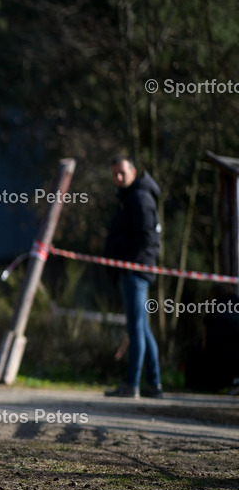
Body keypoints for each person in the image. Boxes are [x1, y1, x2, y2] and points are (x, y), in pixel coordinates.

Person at [104, 155, 162, 398]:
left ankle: (132, 384)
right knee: (143, 329)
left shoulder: (139, 198)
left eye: (122, 173)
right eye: (115, 173)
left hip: (135, 271)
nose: (119, 178)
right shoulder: (130, 198)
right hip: (133, 270)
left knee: (135, 328)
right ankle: (154, 383)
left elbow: (148, 238)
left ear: (133, 171)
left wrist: (131, 264)